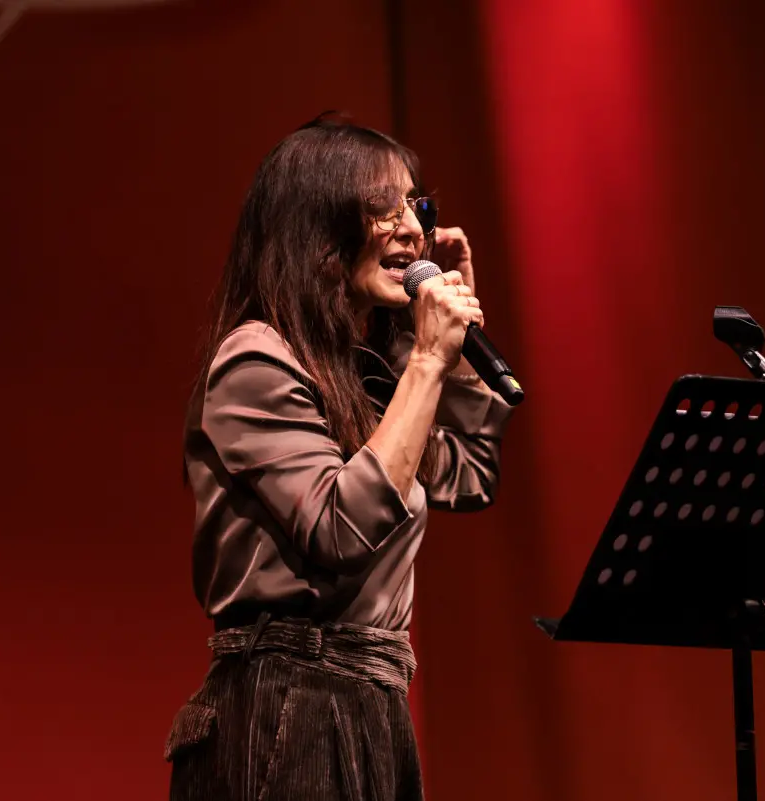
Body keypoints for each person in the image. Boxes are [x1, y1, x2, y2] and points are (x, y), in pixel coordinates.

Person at [163, 114, 515, 801]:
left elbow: (468, 473)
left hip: (372, 697)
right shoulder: (256, 359)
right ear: (317, 229)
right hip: (287, 699)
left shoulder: (363, 383)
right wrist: (427, 358)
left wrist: (462, 352)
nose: (412, 229)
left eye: (416, 205)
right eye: (382, 209)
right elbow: (339, 526)